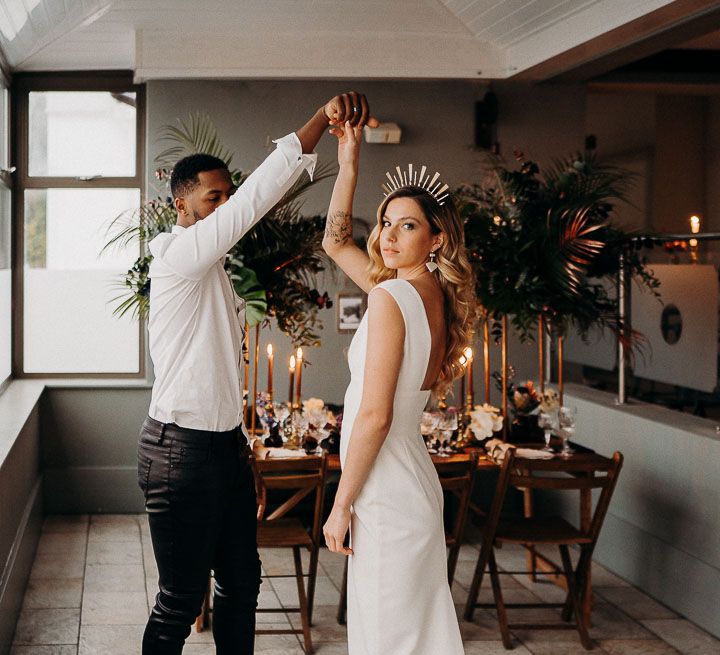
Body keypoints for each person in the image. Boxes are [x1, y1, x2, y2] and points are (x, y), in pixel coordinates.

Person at [138, 92, 376, 655]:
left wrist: (241, 452)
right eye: (212, 198)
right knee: (179, 600)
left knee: (243, 585)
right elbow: (254, 203)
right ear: (182, 205)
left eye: (226, 195)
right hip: (178, 454)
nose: (224, 207)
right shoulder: (177, 259)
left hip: (223, 450)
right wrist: (322, 119)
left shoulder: (213, 270)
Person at [322, 123, 476, 654]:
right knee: (410, 640)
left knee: (387, 642)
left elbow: (374, 417)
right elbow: (336, 241)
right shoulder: (422, 293)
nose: (387, 235)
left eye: (406, 226)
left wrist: (341, 505)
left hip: (385, 494)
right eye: (386, 222)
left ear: (436, 239)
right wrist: (349, 165)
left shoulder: (390, 299)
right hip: (409, 485)